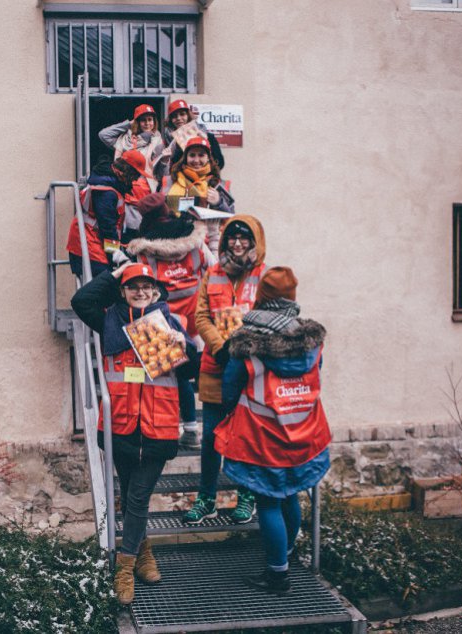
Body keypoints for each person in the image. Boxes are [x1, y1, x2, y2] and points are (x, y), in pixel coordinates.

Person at [71, 262, 198, 606]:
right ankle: (144, 554)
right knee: (129, 497)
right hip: (121, 427)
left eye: (147, 286)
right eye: (132, 286)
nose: (140, 292)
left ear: (157, 292)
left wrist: (178, 347)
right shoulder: (110, 320)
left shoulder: (171, 323)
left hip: (157, 428)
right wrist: (115, 273)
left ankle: (123, 568)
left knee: (138, 497)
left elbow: (193, 373)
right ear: (123, 292)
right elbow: (81, 300)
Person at [215, 267, 331, 596]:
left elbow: (230, 388)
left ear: (261, 299)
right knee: (290, 495)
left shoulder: (248, 343)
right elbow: (314, 376)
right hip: (304, 435)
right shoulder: (311, 343)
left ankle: (277, 574)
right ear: (292, 299)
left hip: (263, 438)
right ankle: (287, 552)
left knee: (267, 504)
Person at [183, 216, 265, 526]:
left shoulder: (263, 275)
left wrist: (243, 349)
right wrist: (219, 347)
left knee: (246, 437)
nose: (238, 243)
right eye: (232, 237)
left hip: (249, 371)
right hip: (216, 366)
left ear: (255, 242)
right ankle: (207, 499)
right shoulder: (213, 273)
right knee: (210, 440)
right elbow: (201, 316)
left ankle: (246, 496)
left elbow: (269, 317)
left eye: (245, 238)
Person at [126, 192, 214, 448]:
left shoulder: (144, 252)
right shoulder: (195, 241)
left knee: (170, 376)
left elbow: (137, 282)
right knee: (192, 375)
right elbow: (214, 266)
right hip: (196, 319)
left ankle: (169, 430)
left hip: (163, 320)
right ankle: (193, 430)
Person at [66, 152, 146, 279]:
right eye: (135, 174)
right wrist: (115, 255)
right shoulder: (107, 192)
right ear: (127, 171)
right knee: (102, 288)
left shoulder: (107, 183)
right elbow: (107, 227)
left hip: (88, 245)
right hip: (90, 248)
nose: (136, 179)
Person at [164, 136, 233, 255]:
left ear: (208, 158)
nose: (196, 160)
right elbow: (161, 212)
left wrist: (219, 203)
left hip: (211, 246)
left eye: (201, 155)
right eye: (192, 155)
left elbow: (230, 219)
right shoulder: (169, 181)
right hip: (176, 243)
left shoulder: (219, 184)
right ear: (185, 158)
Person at [99, 104, 168, 191]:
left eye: (150, 119)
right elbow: (103, 134)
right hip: (122, 185)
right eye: (143, 120)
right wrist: (128, 124)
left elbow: (160, 172)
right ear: (137, 122)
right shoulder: (125, 139)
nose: (147, 123)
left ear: (154, 122)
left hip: (144, 188)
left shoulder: (157, 142)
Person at [160, 98, 224, 171]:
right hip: (181, 181)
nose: (178, 118)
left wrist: (207, 143)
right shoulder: (169, 142)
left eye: (182, 114)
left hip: (204, 180)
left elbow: (220, 164)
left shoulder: (208, 136)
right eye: (174, 116)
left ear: (188, 115)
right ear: (170, 120)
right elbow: (168, 170)